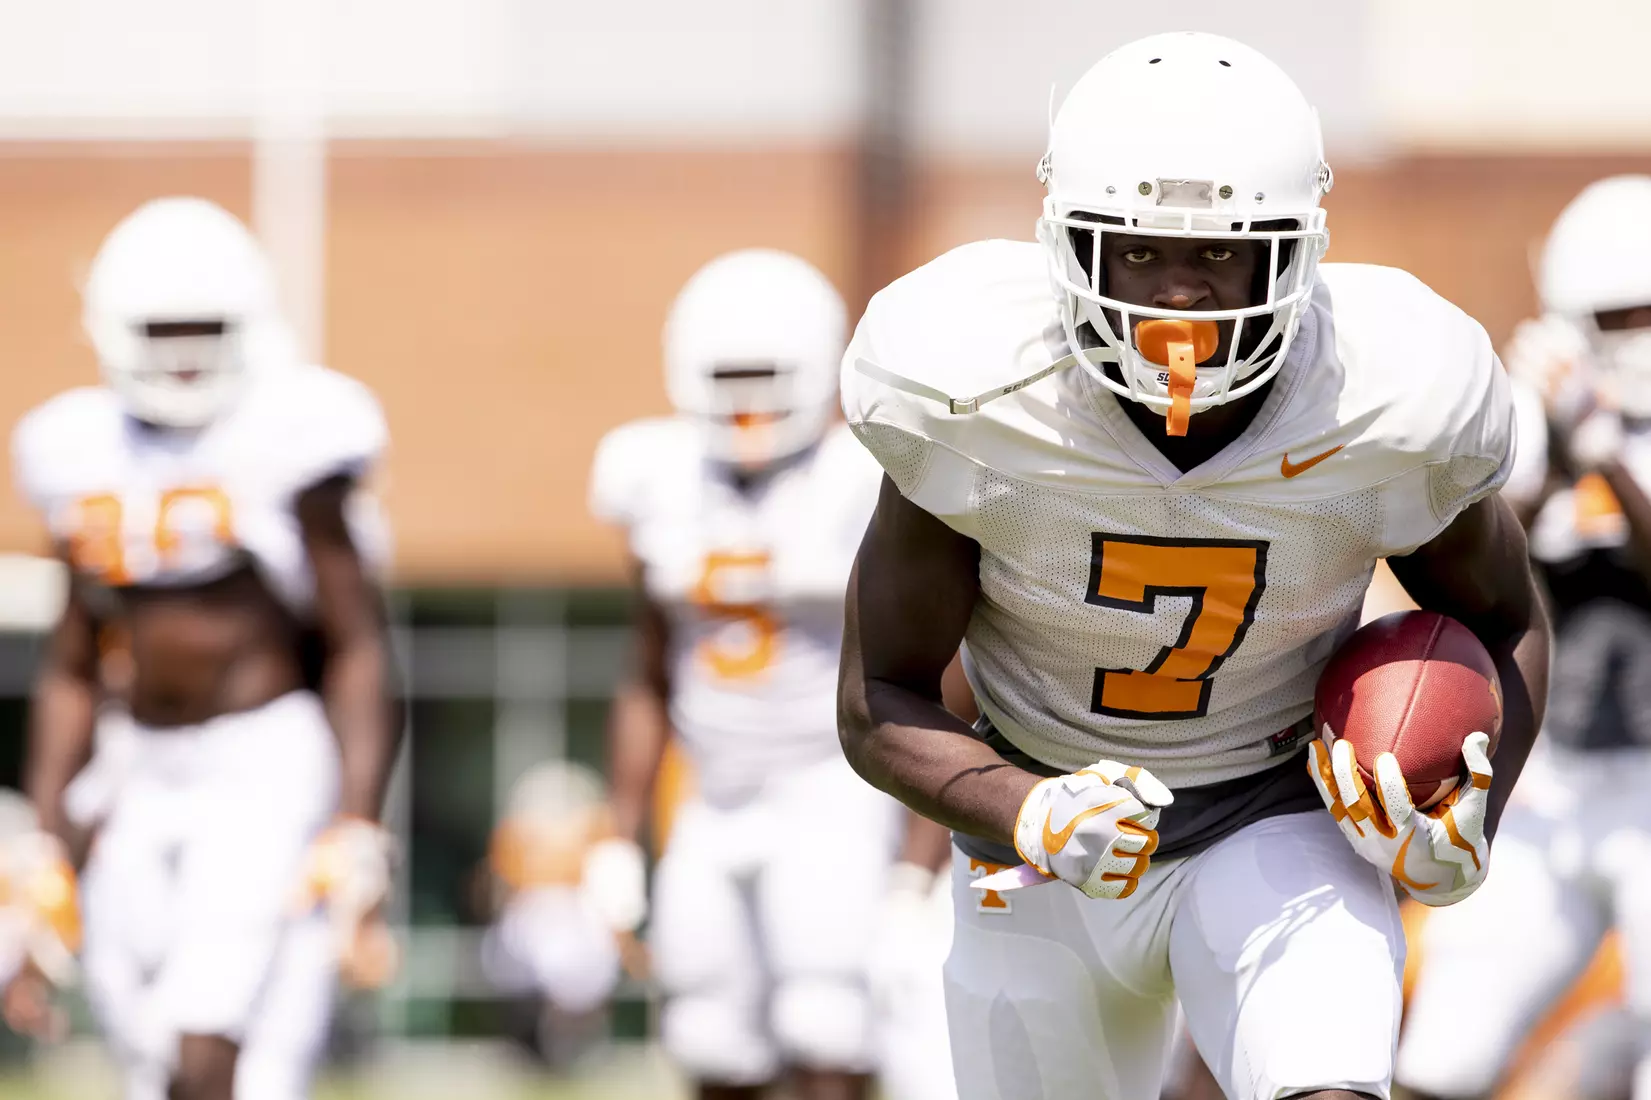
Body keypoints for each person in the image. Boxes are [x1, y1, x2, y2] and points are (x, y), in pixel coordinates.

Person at [837, 31, 1550, 1100]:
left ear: (1293, 252)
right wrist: (1028, 804)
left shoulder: (1385, 397)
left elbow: (1508, 617)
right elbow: (873, 698)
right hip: (1041, 842)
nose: (1176, 295)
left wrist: (1466, 826)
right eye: (1138, 251)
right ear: (1070, 246)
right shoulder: (971, 400)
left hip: (1274, 812)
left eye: (1219, 254)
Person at [7, 197, 401, 1100]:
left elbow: (355, 643)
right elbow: (75, 660)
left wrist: (355, 819)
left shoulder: (291, 434)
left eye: (204, 328)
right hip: (137, 763)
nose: (184, 354)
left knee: (202, 1038)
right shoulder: (75, 449)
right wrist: (45, 839)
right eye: (162, 329)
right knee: (152, 1057)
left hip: (259, 758)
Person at [587, 248, 900, 1100]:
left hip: (833, 780)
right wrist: (619, 831)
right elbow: (647, 671)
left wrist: (922, 848)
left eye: (768, 374)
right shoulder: (654, 478)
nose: (750, 401)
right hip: (712, 787)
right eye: (730, 375)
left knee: (826, 1012)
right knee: (705, 1026)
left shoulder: (861, 478)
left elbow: (934, 664)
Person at [1396, 175, 1651, 1100]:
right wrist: (1546, 441)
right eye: (1618, 315)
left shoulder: (1598, 431)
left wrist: (1605, 457)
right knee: (1442, 1057)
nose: (1636, 335)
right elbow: (1470, 563)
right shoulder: (1533, 411)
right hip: (1555, 784)